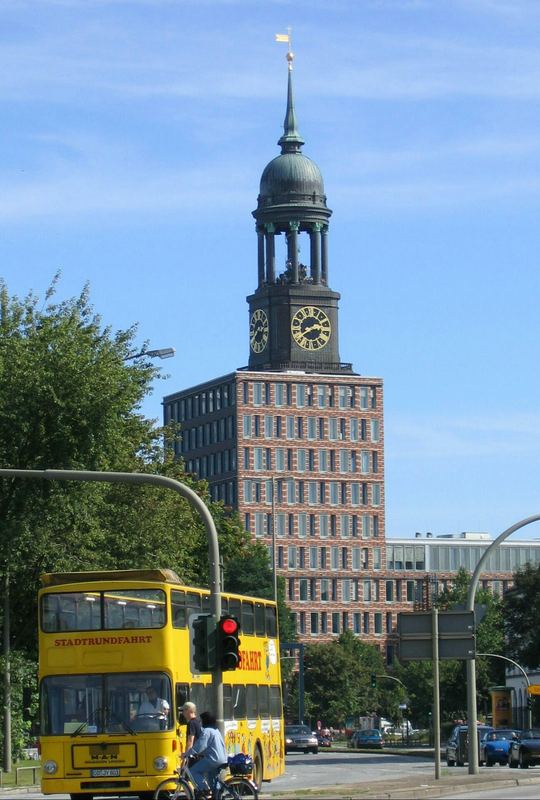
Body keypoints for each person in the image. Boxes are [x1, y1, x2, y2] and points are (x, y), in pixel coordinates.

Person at [185, 711, 227, 797]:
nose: (200, 722)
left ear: (206, 720)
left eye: (202, 720)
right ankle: (216, 795)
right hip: (222, 758)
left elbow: (200, 745)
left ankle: (205, 789)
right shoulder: (216, 730)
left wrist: (187, 753)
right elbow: (210, 746)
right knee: (212, 781)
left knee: (193, 771)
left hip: (214, 759)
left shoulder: (207, 731)